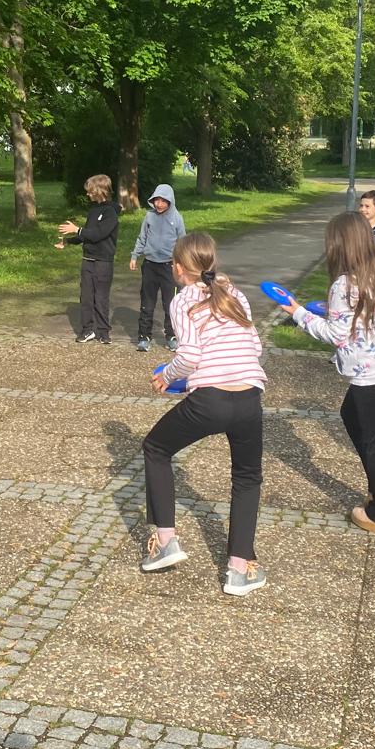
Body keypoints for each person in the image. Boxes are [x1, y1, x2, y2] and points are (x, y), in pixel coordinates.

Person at [141, 232, 267, 596]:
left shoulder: (183, 300)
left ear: (179, 268)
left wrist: (168, 377)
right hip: (249, 398)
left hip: (210, 401)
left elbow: (191, 356)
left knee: (156, 448)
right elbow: (255, 346)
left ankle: (166, 542)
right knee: (247, 478)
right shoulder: (234, 293)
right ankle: (239, 570)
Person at [277, 211, 375, 537]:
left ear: (341, 245)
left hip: (371, 374)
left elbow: (335, 335)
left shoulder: (344, 284)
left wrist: (298, 313)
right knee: (350, 414)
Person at [58, 174, 120, 344]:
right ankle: (88, 330)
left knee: (101, 298)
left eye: (90, 191)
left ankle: (103, 332)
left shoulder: (110, 213)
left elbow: (99, 234)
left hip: (103, 262)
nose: (87, 194)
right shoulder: (93, 211)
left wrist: (77, 229)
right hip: (88, 260)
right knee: (86, 297)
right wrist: (68, 241)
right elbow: (86, 234)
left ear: (100, 190)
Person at [129, 183, 185, 352]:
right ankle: (144, 337)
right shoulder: (149, 216)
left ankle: (172, 336)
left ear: (170, 201)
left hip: (169, 267)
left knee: (171, 304)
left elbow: (182, 243)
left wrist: (181, 263)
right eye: (156, 200)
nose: (159, 204)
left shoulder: (177, 218)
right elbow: (142, 238)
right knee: (147, 302)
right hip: (150, 265)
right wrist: (134, 255)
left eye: (163, 201)